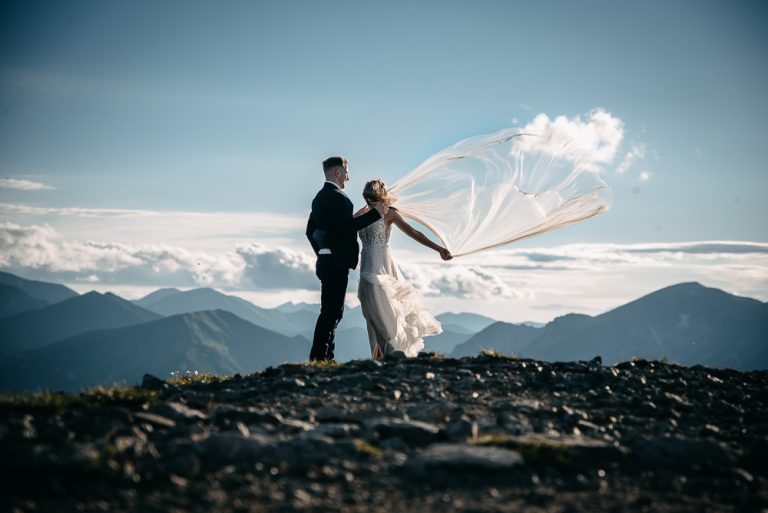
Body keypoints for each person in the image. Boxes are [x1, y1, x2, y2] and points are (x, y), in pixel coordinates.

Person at [355, 179, 452, 359]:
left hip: (382, 266)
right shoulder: (360, 214)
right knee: (371, 313)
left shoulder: (389, 213)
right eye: (366, 196)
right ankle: (379, 356)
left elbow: (413, 232)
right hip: (366, 265)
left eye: (371, 195)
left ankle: (394, 354)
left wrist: (438, 249)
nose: (368, 199)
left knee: (385, 310)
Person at [306, 157, 388, 361]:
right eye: (346, 172)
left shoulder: (318, 198)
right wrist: (375, 214)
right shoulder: (340, 199)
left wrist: (323, 251)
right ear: (338, 173)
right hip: (335, 264)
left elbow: (311, 231)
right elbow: (345, 229)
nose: (348, 177)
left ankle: (326, 356)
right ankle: (319, 357)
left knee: (331, 311)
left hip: (326, 262)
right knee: (331, 313)